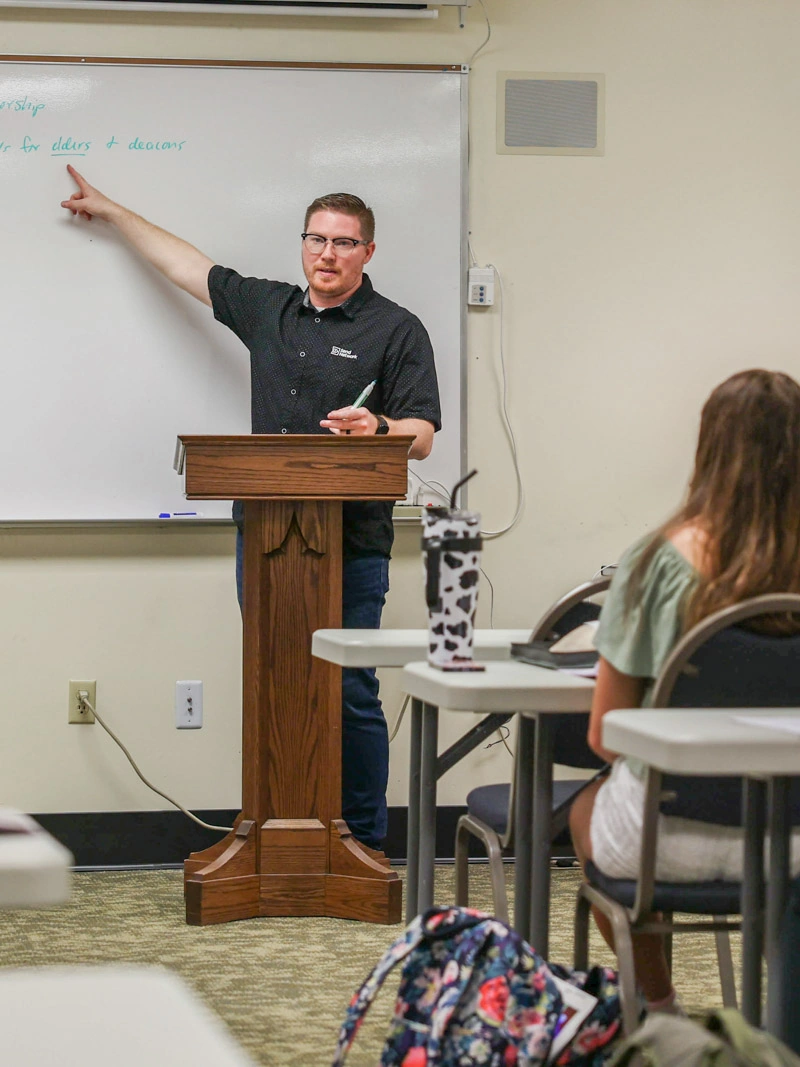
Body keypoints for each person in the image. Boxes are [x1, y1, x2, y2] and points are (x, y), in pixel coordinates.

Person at [61, 166, 441, 852]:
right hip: (265, 538)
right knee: (274, 679)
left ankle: (363, 842)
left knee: (350, 693)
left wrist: (376, 428)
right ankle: (273, 832)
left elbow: (422, 435)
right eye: (317, 239)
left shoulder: (398, 330)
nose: (328, 253)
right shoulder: (270, 309)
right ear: (302, 244)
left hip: (353, 544)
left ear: (368, 253)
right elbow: (187, 265)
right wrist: (114, 212)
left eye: (344, 242)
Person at [568, 368, 800, 1015]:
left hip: (664, 842)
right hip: (793, 838)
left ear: (708, 450)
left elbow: (604, 734)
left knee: (586, 806)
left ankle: (659, 1006)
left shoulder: (657, 559)